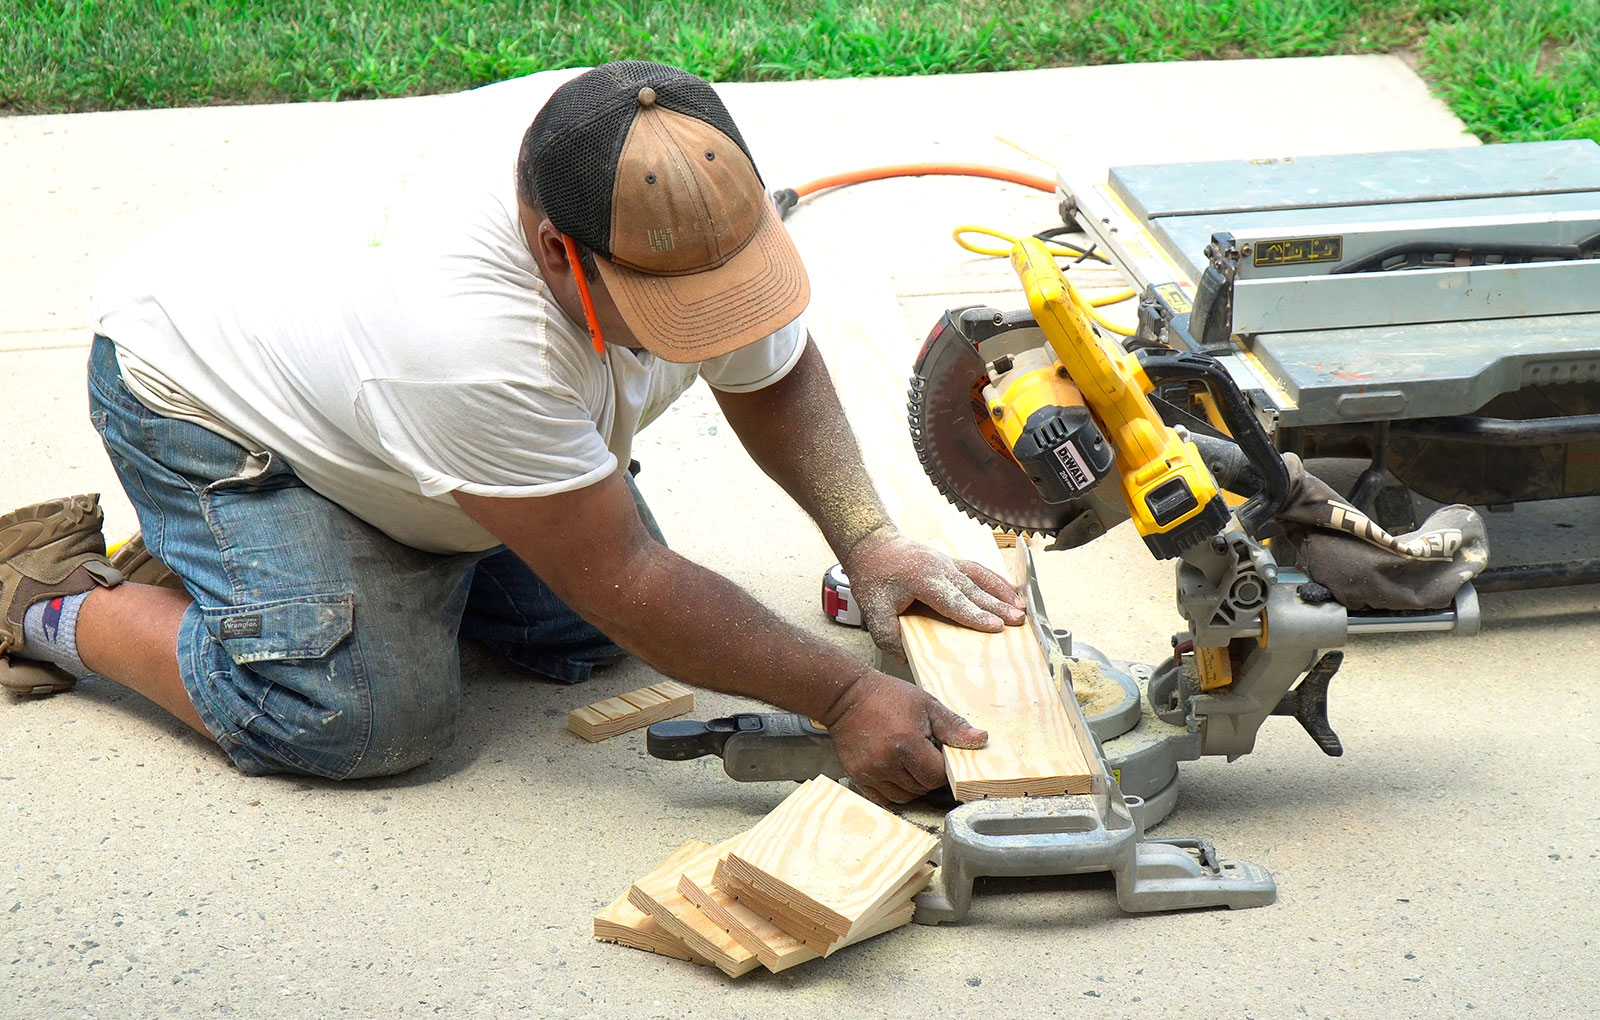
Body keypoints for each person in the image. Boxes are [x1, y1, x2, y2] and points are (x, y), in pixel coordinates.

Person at [0, 61, 1026, 806]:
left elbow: (773, 367)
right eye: (675, 311)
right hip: (209, 409)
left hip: (376, 402)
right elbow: (624, 578)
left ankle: (298, 578)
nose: (714, 327)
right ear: (551, 249)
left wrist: (869, 539)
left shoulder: (671, 162)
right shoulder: (460, 335)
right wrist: (844, 694)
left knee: (575, 640)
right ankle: (52, 598)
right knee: (356, 716)